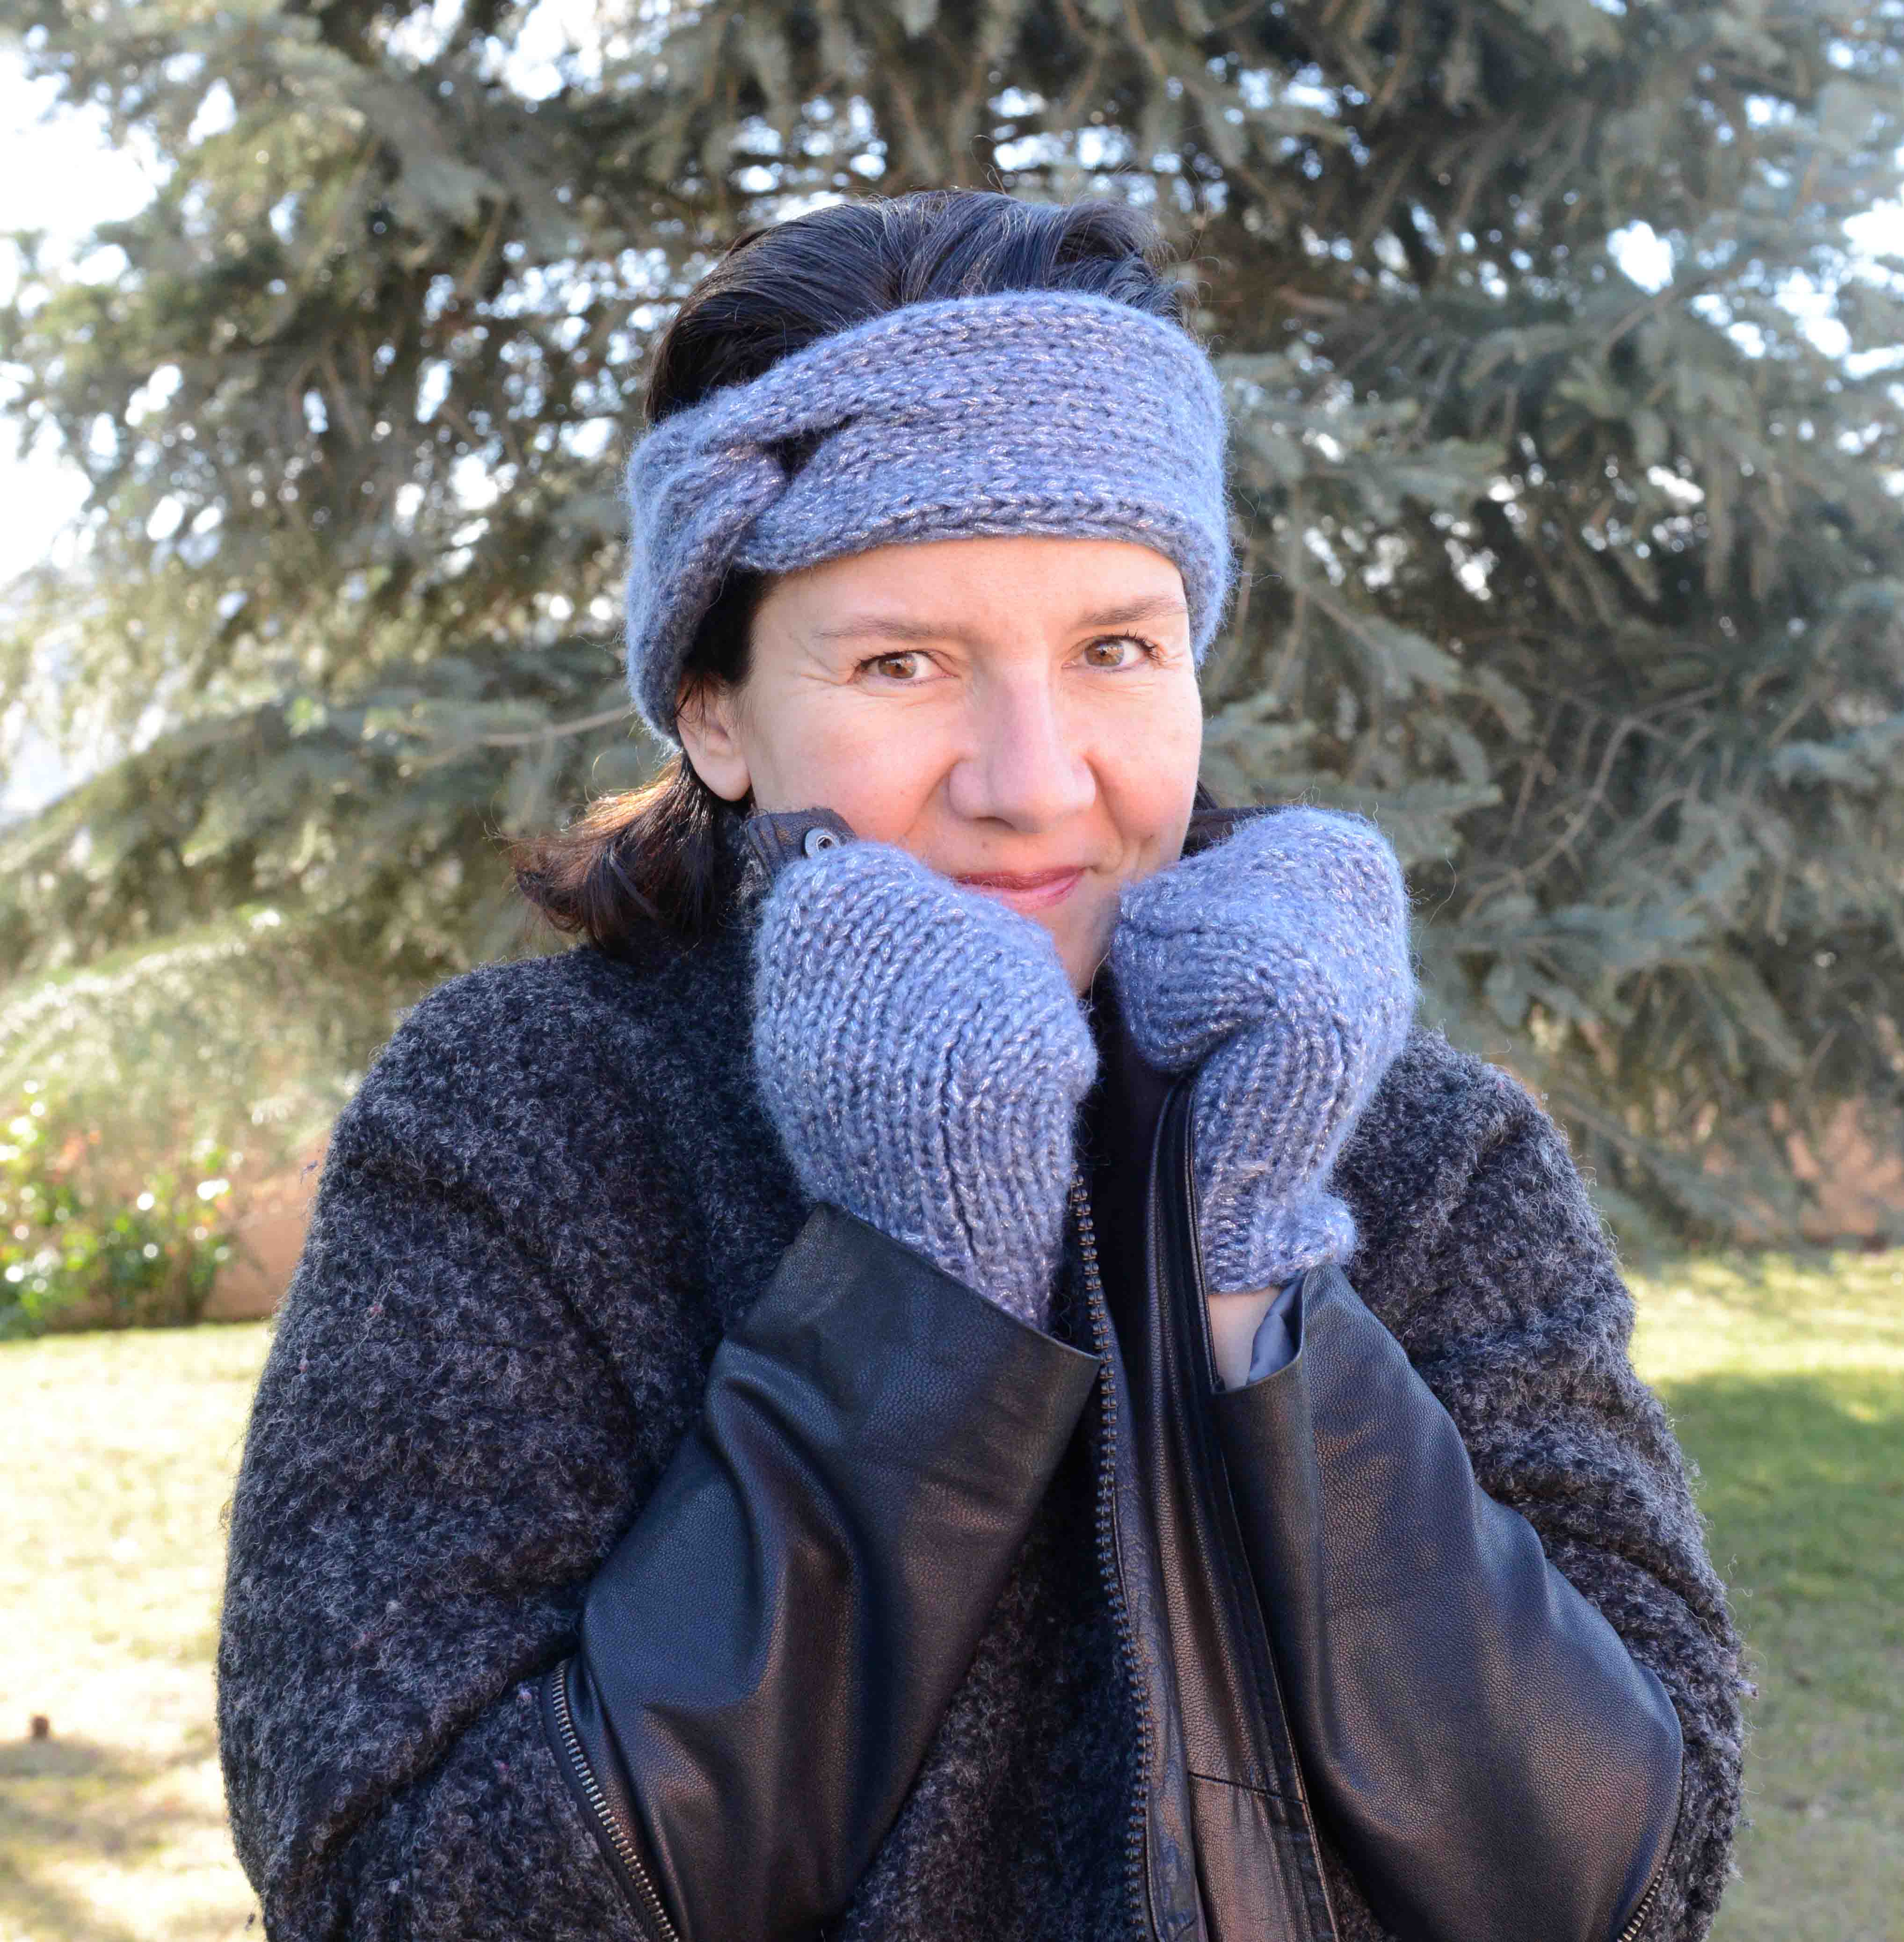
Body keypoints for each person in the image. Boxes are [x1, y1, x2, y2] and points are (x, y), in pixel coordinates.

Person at [217, 190, 1745, 1942]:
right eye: (903, 662)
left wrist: (1257, 1292)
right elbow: (402, 1890)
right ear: (715, 710)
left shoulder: (1419, 1148)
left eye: (1115, 648)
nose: (1034, 780)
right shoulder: (522, 1127)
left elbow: (1632, 1883)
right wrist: (917, 1294)